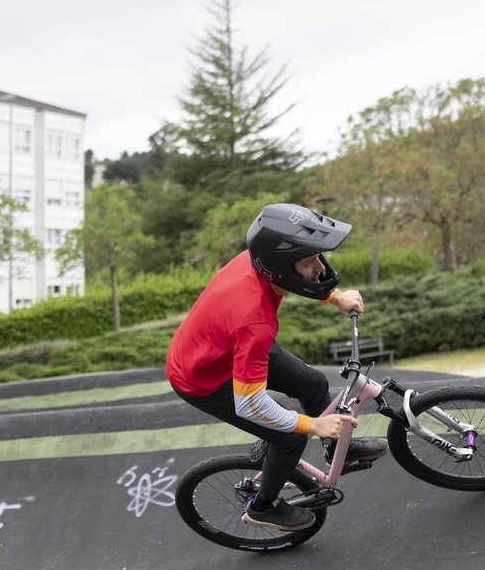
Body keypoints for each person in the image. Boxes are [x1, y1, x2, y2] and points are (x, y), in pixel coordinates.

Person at [167, 203, 390, 532]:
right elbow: (250, 404)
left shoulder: (259, 259)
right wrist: (313, 425)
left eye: (317, 257)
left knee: (313, 384)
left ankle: (335, 448)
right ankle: (263, 507)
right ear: (282, 267)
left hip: (228, 347)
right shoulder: (255, 320)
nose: (318, 267)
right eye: (308, 261)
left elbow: (298, 281)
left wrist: (335, 296)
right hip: (202, 378)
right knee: (289, 437)